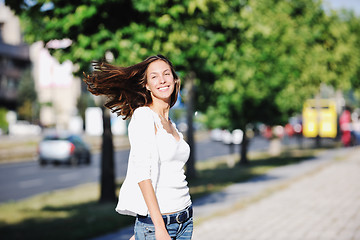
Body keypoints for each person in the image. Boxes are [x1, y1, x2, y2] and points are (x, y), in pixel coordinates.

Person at [83, 55, 193, 240]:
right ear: (147, 85)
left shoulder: (171, 123)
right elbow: (143, 175)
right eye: (154, 76)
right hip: (160, 224)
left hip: (185, 219)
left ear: (175, 79)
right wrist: (158, 228)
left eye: (166, 74)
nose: (162, 80)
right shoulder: (144, 116)